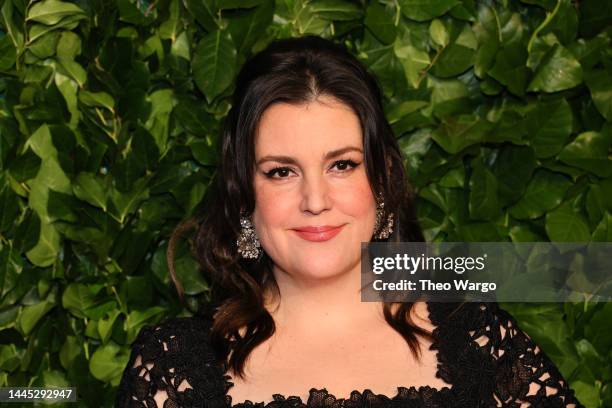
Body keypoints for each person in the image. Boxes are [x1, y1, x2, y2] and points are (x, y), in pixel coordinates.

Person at [115, 35, 583, 408]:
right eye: (281, 171)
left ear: (381, 182)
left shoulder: (479, 340)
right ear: (244, 198)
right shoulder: (172, 365)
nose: (315, 200)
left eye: (342, 165)